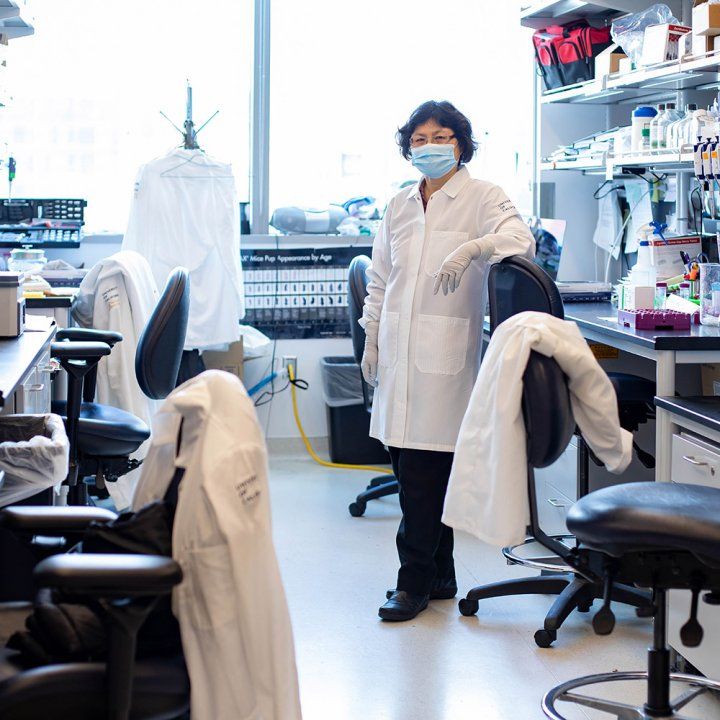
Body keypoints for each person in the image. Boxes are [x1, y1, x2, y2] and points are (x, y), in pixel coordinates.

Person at [360, 100, 534, 622]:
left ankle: (410, 584)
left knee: (422, 476)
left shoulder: (482, 196)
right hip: (397, 353)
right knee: (409, 466)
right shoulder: (399, 205)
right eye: (418, 139)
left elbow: (520, 240)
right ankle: (441, 576)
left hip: (444, 360)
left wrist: (474, 248)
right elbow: (380, 277)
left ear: (460, 143)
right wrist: (371, 335)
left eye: (440, 137)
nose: (428, 146)